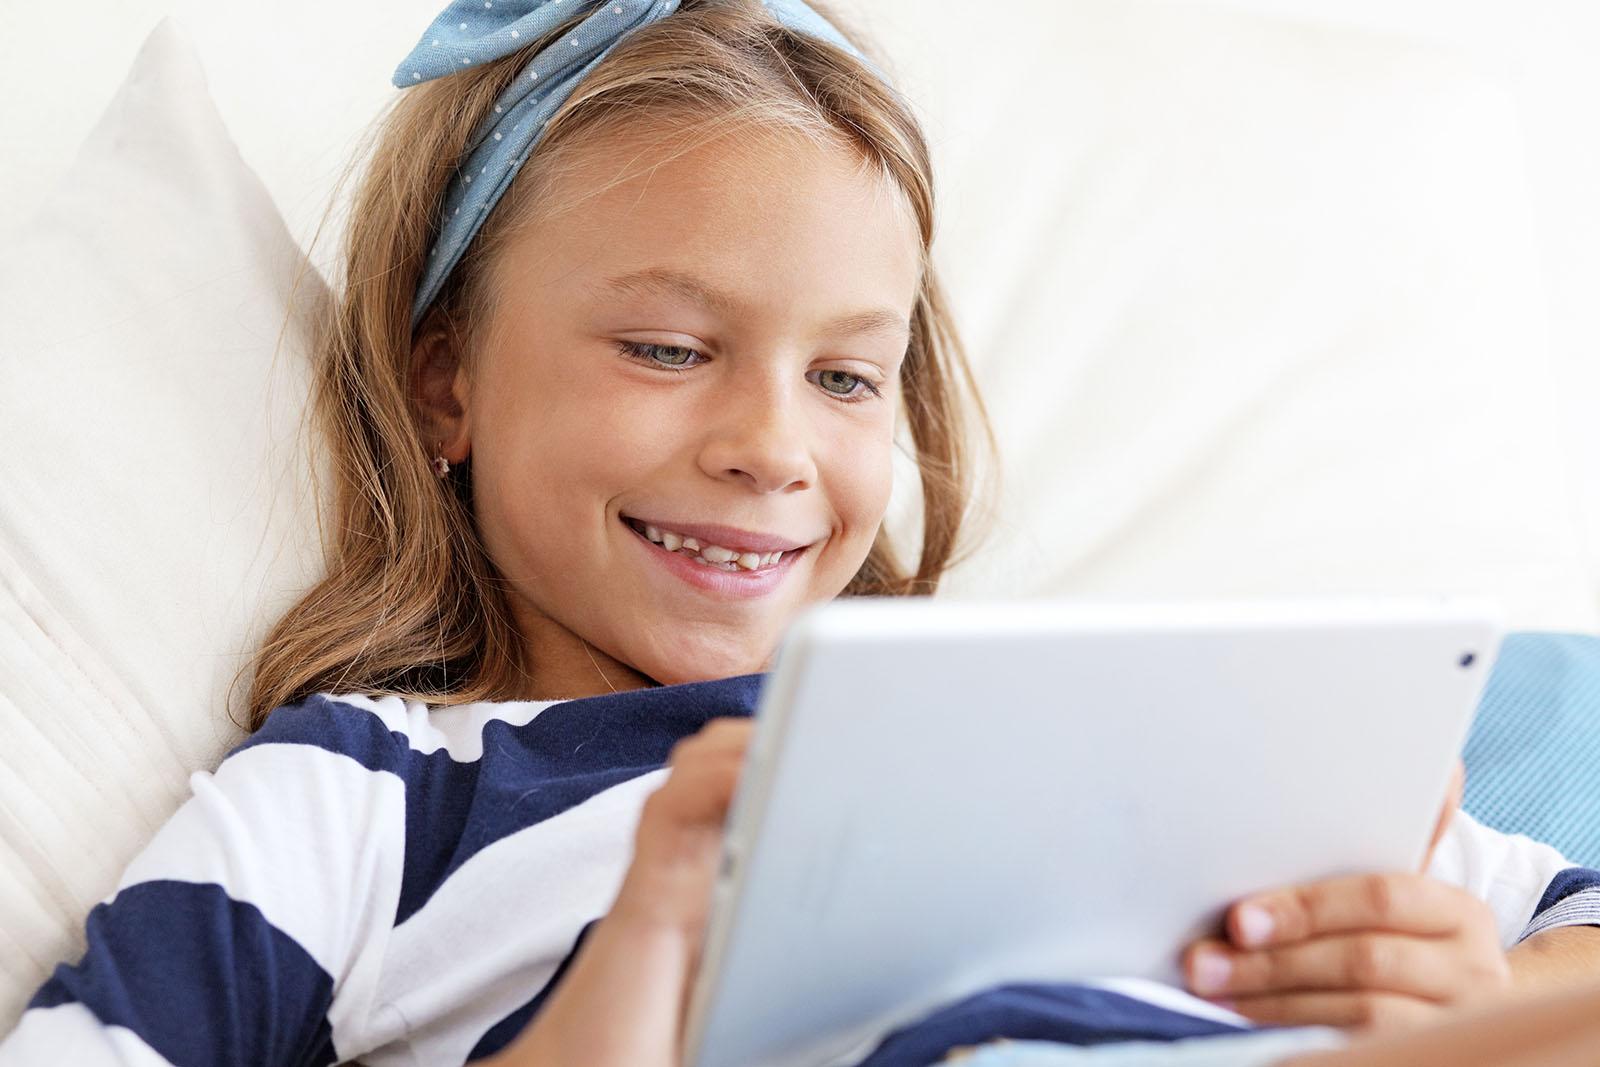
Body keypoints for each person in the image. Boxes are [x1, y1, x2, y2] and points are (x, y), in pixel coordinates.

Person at [2, 1, 1597, 1064]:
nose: (771, 446)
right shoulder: (362, 801)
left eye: (845, 375)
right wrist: (651, 947)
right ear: (448, 384)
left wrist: (1460, 980)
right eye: (669, 350)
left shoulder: (1065, 707)